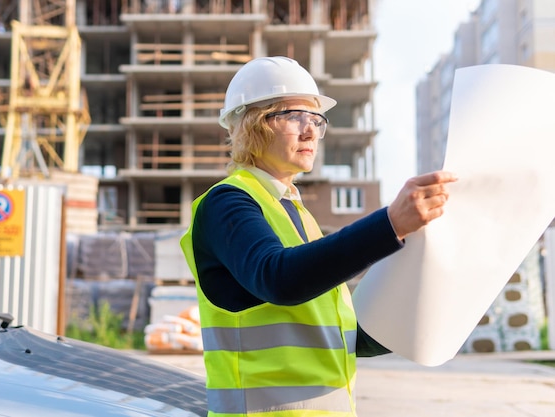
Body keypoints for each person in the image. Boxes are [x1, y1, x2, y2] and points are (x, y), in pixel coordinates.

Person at [180, 56, 457, 416]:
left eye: (315, 119)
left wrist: (438, 301)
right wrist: (390, 225)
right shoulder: (227, 204)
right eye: (294, 115)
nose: (310, 131)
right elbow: (279, 279)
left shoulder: (297, 214)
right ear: (250, 123)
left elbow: (341, 336)